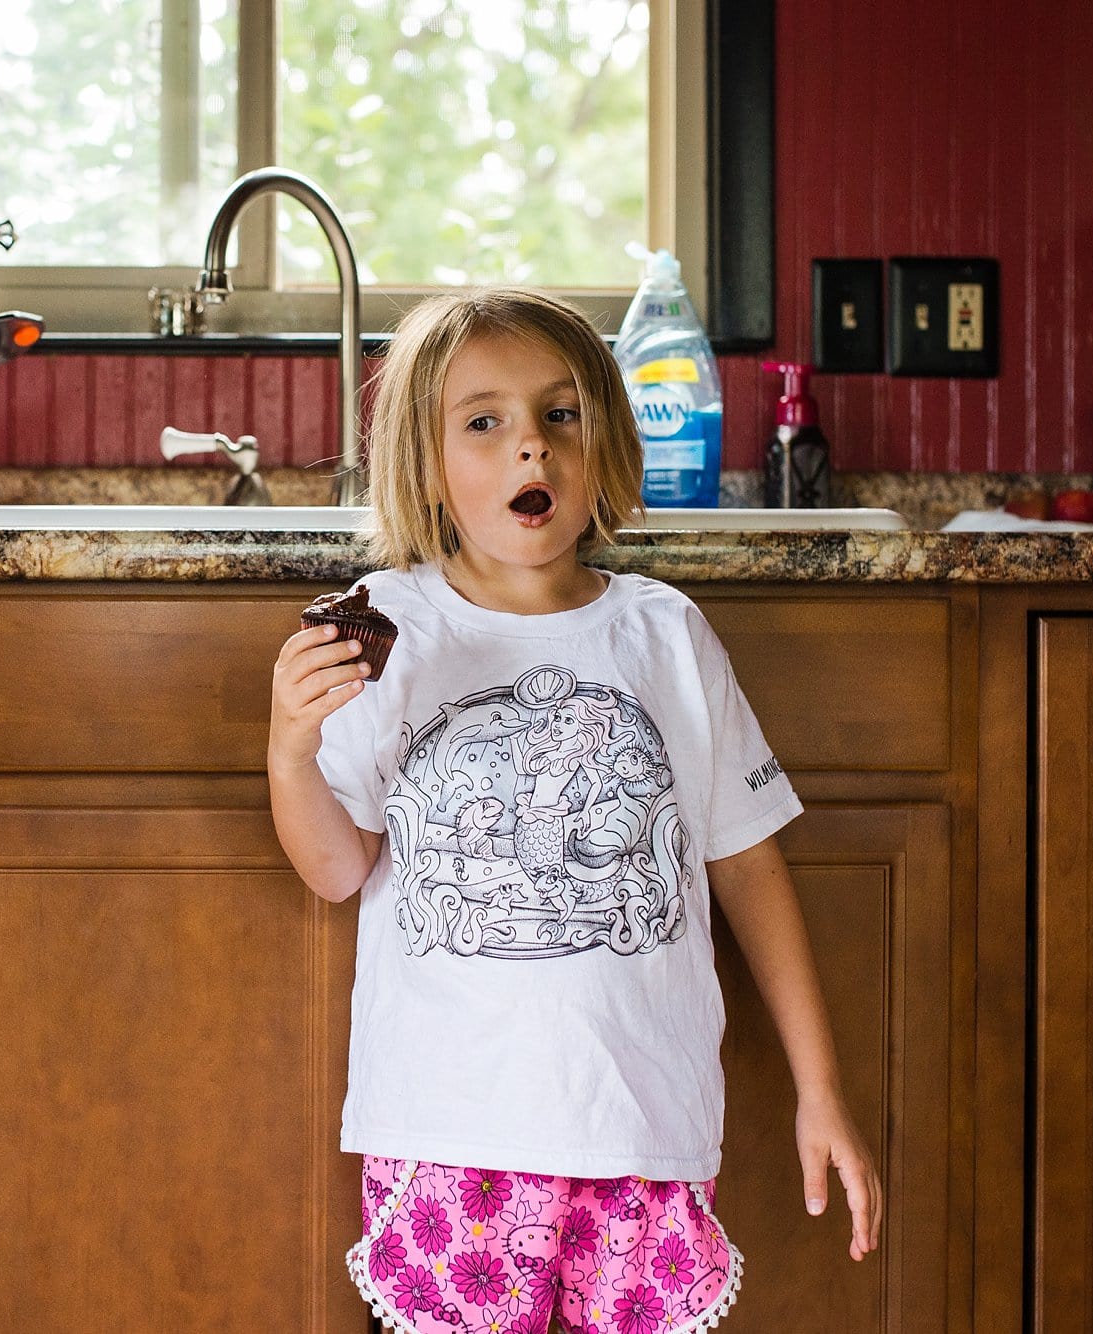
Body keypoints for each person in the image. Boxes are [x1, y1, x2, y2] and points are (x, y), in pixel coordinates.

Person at [268, 288, 882, 1334]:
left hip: (640, 1125)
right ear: (424, 463)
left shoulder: (663, 635)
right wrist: (288, 745)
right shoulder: (393, 628)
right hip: (449, 1130)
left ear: (604, 439)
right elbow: (335, 866)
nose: (529, 452)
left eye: (560, 416)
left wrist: (817, 1087)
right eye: (483, 421)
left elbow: (745, 863)